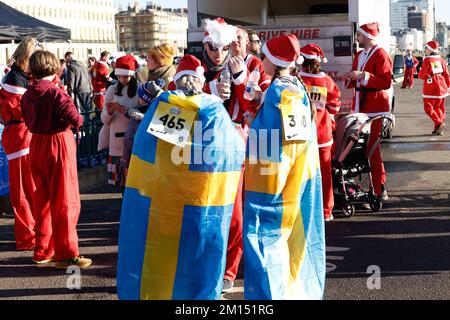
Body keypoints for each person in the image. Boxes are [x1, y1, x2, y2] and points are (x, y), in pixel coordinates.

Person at [116, 54, 245, 300]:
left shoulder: (164, 104)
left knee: (163, 251)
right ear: (200, 81)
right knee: (198, 252)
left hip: (165, 199)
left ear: (176, 80)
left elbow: (147, 147)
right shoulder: (214, 109)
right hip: (203, 197)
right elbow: (232, 149)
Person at [243, 34, 325, 300]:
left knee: (264, 240)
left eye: (264, 56)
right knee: (295, 241)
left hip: (273, 182)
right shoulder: (294, 87)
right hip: (299, 177)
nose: (261, 61)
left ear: (275, 61)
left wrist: (249, 124)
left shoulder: (279, 91)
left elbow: (270, 142)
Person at [20, 50, 91, 268]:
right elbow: (76, 119)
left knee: (43, 200)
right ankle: (67, 253)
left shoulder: (28, 93)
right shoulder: (56, 93)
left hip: (37, 144)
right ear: (53, 67)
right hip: (57, 143)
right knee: (65, 201)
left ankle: (43, 250)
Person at [221, 24, 271, 293]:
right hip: (213, 144)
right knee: (219, 208)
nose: (235, 43)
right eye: (231, 39)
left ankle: (231, 269)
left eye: (239, 38)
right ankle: (220, 265)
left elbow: (254, 103)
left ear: (248, 43)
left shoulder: (255, 66)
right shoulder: (215, 62)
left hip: (246, 143)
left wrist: (239, 77)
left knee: (241, 211)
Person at [344, 22, 392, 202]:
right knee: (358, 148)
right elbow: (356, 76)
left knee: (372, 149)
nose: (357, 37)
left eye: (359, 35)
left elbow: (385, 82)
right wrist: (350, 77)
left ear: (368, 37)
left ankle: (379, 187)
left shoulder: (381, 54)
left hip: (376, 107)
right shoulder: (359, 54)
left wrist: (363, 76)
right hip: (360, 106)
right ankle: (361, 187)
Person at [0, 37, 39, 251]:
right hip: (21, 137)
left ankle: (33, 233)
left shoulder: (19, 76)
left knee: (29, 188)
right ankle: (27, 237)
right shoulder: (15, 80)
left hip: (23, 136)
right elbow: (19, 111)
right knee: (24, 190)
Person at [299, 43, 341, 222]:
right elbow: (335, 107)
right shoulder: (327, 82)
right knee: (325, 174)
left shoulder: (296, 79)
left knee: (301, 174)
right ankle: (326, 210)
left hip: (300, 133)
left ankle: (303, 208)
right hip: (323, 134)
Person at [101, 55, 139, 186]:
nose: (122, 79)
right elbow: (104, 119)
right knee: (121, 185)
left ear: (132, 75)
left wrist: (126, 111)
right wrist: (110, 111)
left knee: (134, 182)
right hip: (116, 142)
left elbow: (144, 113)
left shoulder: (140, 89)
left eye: (126, 76)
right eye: (119, 76)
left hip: (134, 139)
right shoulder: (111, 89)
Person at [418, 40, 450, 135]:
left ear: (430, 49)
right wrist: (448, 85)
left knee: (428, 107)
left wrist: (419, 73)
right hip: (441, 85)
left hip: (431, 86)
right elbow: (446, 74)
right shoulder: (441, 60)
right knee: (439, 107)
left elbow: (422, 74)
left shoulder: (427, 60)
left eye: (426, 48)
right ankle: (438, 128)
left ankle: (439, 123)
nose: (425, 50)